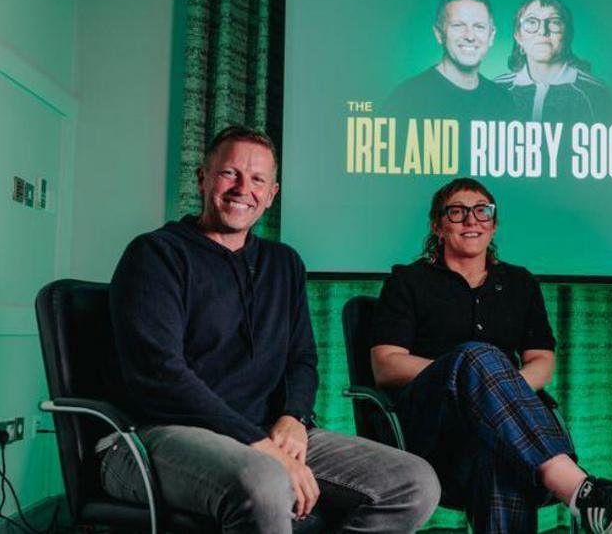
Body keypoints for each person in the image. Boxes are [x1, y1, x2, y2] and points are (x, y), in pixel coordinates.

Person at [99, 125, 440, 533]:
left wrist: (294, 417)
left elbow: (302, 359)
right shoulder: (156, 254)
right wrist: (259, 445)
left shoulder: (284, 264)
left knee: (414, 483)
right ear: (203, 178)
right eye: (230, 173)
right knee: (265, 483)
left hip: (266, 433)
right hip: (163, 434)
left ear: (272, 194)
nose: (243, 189)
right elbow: (160, 374)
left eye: (257, 180)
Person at [370, 177, 612, 534]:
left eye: (482, 211)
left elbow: (542, 363)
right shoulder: (408, 281)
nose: (471, 220)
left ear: (494, 224)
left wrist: (495, 392)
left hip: (500, 433)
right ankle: (581, 489)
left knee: (500, 449)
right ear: (437, 226)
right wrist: (470, 375)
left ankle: (582, 493)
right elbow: (386, 364)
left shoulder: (521, 283)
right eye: (457, 212)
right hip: (432, 429)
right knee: (476, 358)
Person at [383, 0, 513, 121]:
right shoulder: (407, 99)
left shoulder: (503, 101)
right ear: (439, 34)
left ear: (491, 36)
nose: (470, 36)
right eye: (458, 25)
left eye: (479, 26)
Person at [494, 0, 612, 123]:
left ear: (568, 35)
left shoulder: (595, 92)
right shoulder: (496, 89)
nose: (542, 31)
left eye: (554, 22)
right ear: (518, 37)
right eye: (531, 22)